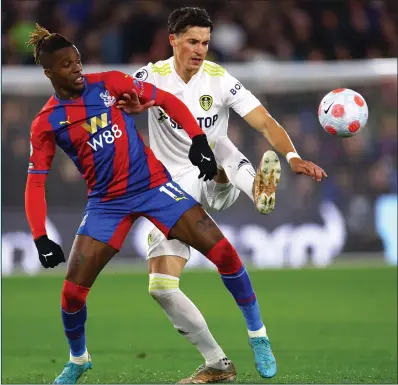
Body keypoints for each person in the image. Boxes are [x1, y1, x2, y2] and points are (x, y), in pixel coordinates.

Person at [23, 24, 259, 384]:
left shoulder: (109, 83)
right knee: (72, 293)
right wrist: (40, 236)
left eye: (78, 61)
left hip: (152, 187)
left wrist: (197, 138)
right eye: (67, 65)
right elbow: (35, 182)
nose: (77, 69)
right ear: (49, 72)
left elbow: (166, 100)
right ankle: (78, 359)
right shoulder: (46, 122)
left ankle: (257, 337)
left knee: (223, 251)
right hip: (106, 204)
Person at [117, 6, 327, 383]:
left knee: (221, 152)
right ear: (173, 41)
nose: (200, 50)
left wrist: (293, 157)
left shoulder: (219, 79)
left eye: (206, 43)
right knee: (161, 288)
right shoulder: (150, 77)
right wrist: (127, 110)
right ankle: (217, 364)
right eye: (193, 42)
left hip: (209, 175)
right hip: (170, 188)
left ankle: (248, 184)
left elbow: (264, 121)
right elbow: (117, 106)